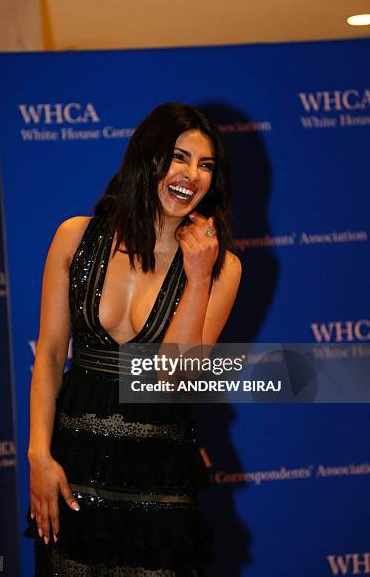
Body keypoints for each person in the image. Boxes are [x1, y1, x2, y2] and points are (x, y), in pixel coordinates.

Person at [24, 102, 242, 576]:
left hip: (158, 477)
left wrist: (199, 277)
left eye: (206, 165)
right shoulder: (74, 238)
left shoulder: (221, 267)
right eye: (180, 157)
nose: (192, 174)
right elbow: (50, 354)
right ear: (148, 156)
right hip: (72, 466)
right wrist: (38, 454)